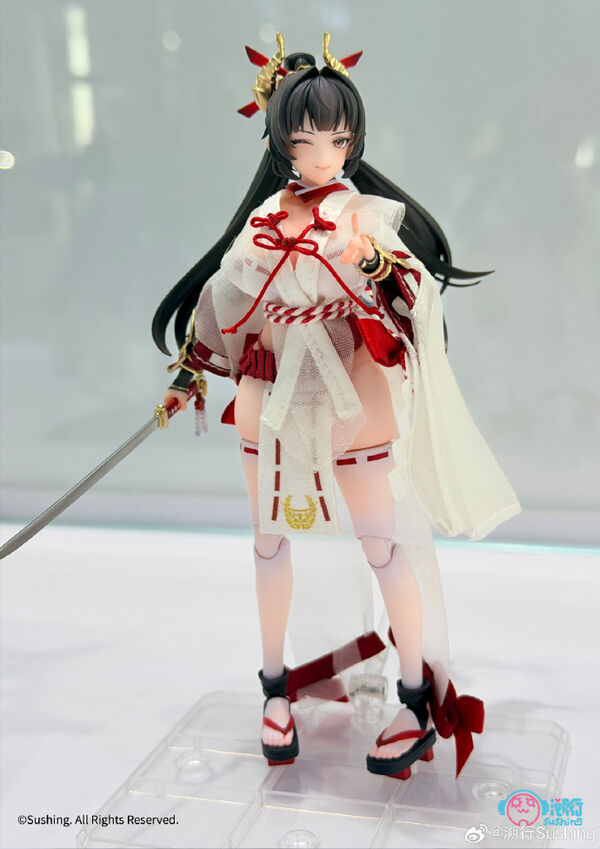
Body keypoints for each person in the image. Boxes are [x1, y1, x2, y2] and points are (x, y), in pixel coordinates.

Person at [151, 33, 520, 780]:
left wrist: (376, 263)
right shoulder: (265, 219)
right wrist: (190, 372)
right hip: (271, 395)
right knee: (268, 542)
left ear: (353, 141)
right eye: (307, 139)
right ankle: (273, 687)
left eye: (338, 139)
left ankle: (414, 697)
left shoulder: (365, 217)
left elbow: (413, 294)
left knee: (383, 544)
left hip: (350, 396)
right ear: (280, 140)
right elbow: (223, 298)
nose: (323, 153)